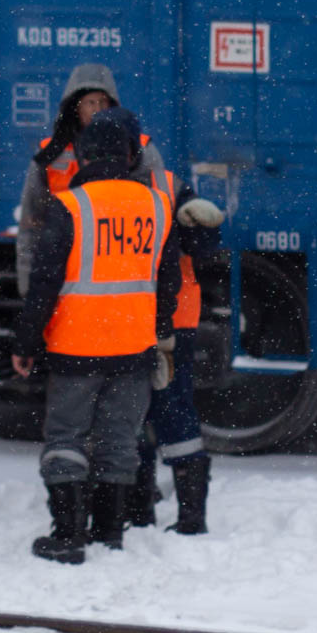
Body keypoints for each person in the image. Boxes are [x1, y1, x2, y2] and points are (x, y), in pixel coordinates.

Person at [11, 107, 184, 564]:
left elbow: (44, 282)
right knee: (118, 441)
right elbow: (168, 285)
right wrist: (157, 329)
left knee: (67, 437)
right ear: (130, 155)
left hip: (75, 348)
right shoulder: (157, 206)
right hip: (133, 349)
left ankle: (67, 534)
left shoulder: (69, 205)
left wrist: (27, 343)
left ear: (85, 156)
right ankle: (110, 532)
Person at [128, 170, 225, 534]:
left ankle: (146, 510)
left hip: (143, 316)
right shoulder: (166, 184)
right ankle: (175, 512)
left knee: (144, 410)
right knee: (166, 409)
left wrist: (199, 225)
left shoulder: (163, 184)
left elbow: (202, 245)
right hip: (156, 315)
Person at [16, 64, 166, 295]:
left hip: (123, 271)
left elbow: (163, 216)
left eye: (103, 102)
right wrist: (29, 288)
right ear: (75, 107)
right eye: (90, 102)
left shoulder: (142, 150)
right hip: (65, 276)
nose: (97, 109)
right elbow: (31, 225)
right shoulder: (49, 154)